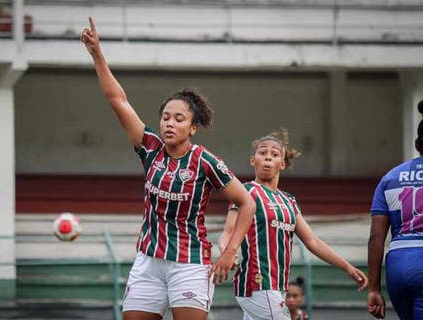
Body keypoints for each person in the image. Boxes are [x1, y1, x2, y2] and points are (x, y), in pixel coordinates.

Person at [81, 17, 256, 320]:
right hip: (148, 260)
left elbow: (247, 202)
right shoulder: (148, 146)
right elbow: (117, 100)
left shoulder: (205, 161)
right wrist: (97, 53)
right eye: (165, 116)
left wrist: (230, 252)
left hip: (189, 263)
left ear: (193, 128)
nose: (169, 123)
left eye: (178, 118)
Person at [219, 128, 368, 320]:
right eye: (262, 153)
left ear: (282, 163)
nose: (267, 158)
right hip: (256, 283)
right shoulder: (245, 192)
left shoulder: (288, 200)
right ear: (252, 160)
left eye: (274, 154)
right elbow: (227, 233)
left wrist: (347, 267)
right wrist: (227, 252)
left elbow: (312, 242)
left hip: (277, 286)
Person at [367, 101, 423, 320]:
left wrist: (373, 288)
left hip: (398, 265)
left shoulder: (390, 178)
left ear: (418, 143)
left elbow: (375, 237)